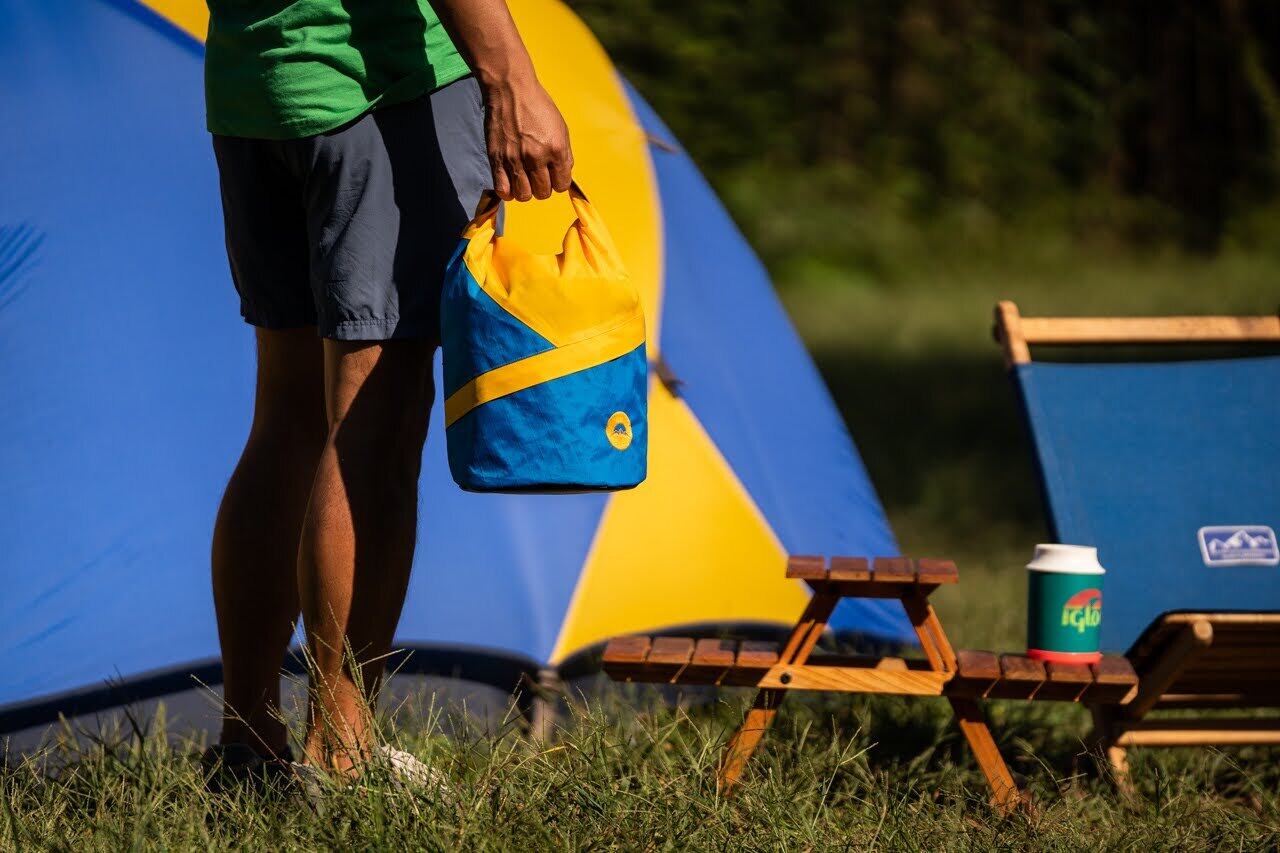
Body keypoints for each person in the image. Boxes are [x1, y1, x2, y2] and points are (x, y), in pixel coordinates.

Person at [201, 0, 573, 784]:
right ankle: (341, 751)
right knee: (374, 422)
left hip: (254, 88)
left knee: (287, 418)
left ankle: (248, 740)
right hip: (378, 92)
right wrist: (510, 81)